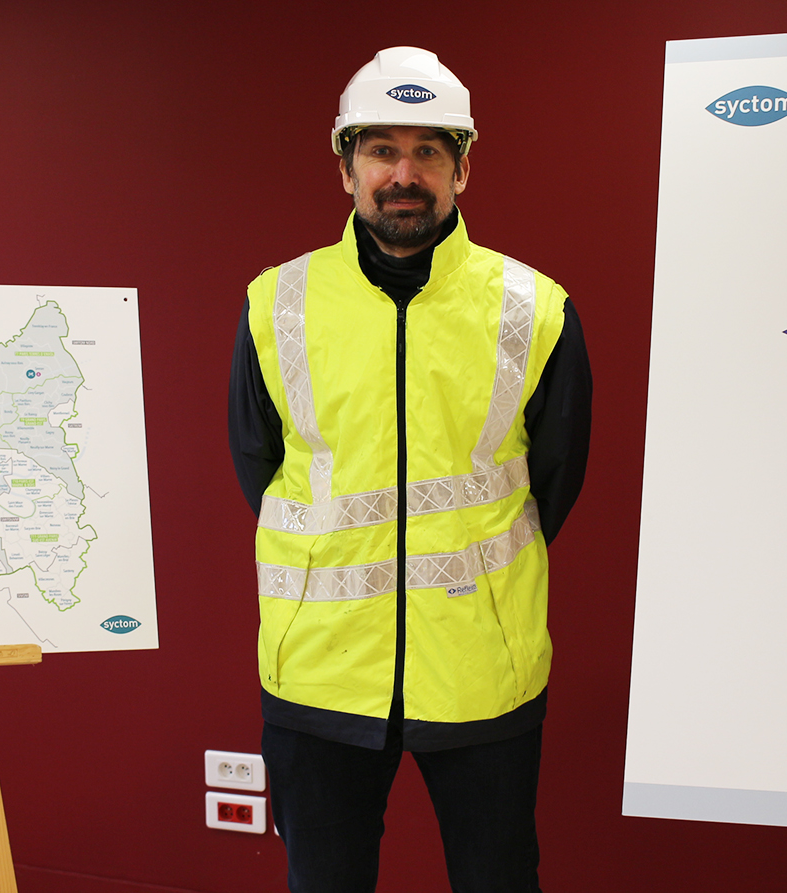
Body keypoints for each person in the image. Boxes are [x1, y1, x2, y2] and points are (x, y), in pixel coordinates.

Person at [228, 46, 591, 893]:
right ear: (345, 164)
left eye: (428, 150)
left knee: (499, 879)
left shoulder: (534, 307)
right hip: (319, 667)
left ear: (464, 167)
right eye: (382, 149)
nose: (404, 172)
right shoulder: (275, 301)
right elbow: (262, 469)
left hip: (481, 666)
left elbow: (556, 482)